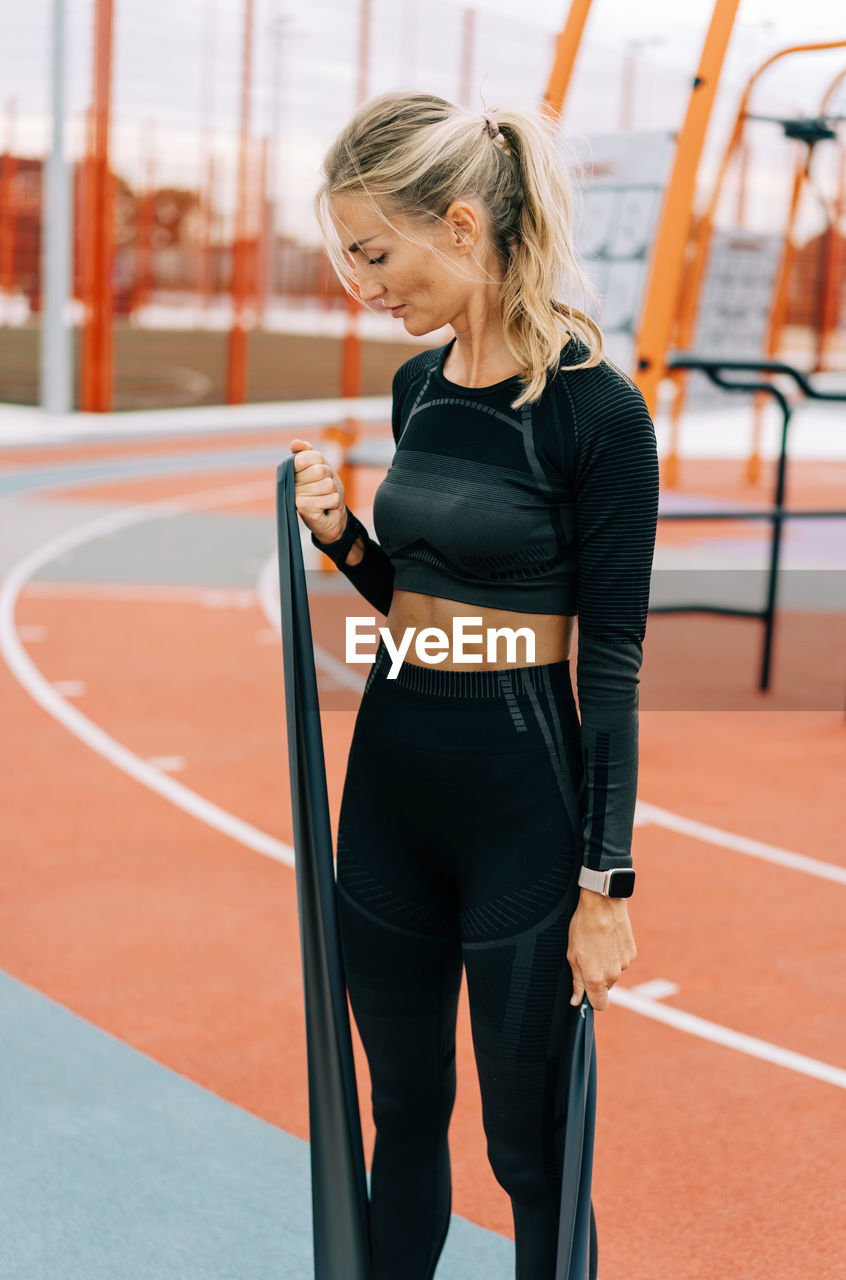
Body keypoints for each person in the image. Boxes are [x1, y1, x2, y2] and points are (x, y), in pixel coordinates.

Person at [289, 92, 659, 1280]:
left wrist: (605, 882)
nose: (366, 287)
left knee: (529, 1149)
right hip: (393, 778)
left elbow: (609, 662)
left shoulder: (597, 411)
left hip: (524, 805)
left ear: (459, 224)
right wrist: (347, 539)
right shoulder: (417, 388)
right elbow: (415, 602)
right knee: (399, 1114)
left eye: (376, 254)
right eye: (352, 261)